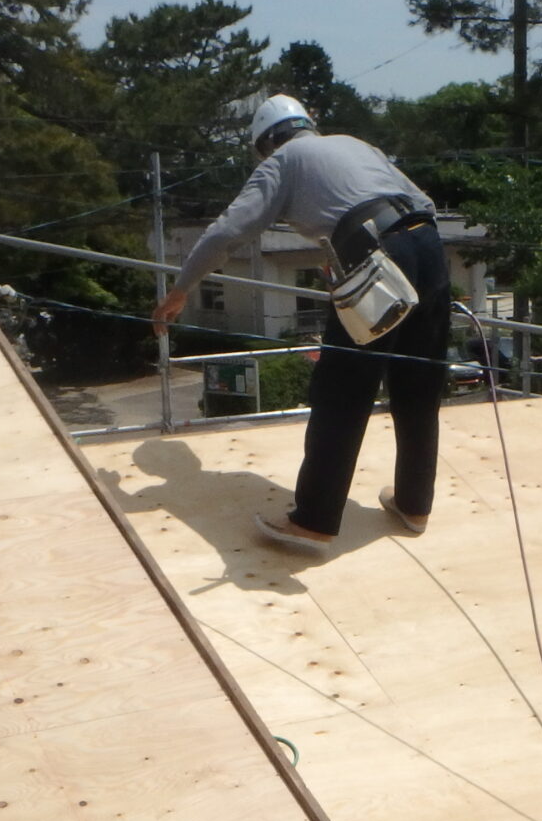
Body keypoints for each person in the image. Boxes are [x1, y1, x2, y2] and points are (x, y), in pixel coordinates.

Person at [154, 95, 452, 553]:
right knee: (418, 385)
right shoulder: (354, 143)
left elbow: (228, 231)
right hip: (428, 245)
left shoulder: (284, 161)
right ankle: (414, 505)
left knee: (340, 392)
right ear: (308, 125)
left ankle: (314, 520)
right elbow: (423, 201)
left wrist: (180, 290)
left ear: (266, 144)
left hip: (376, 258)